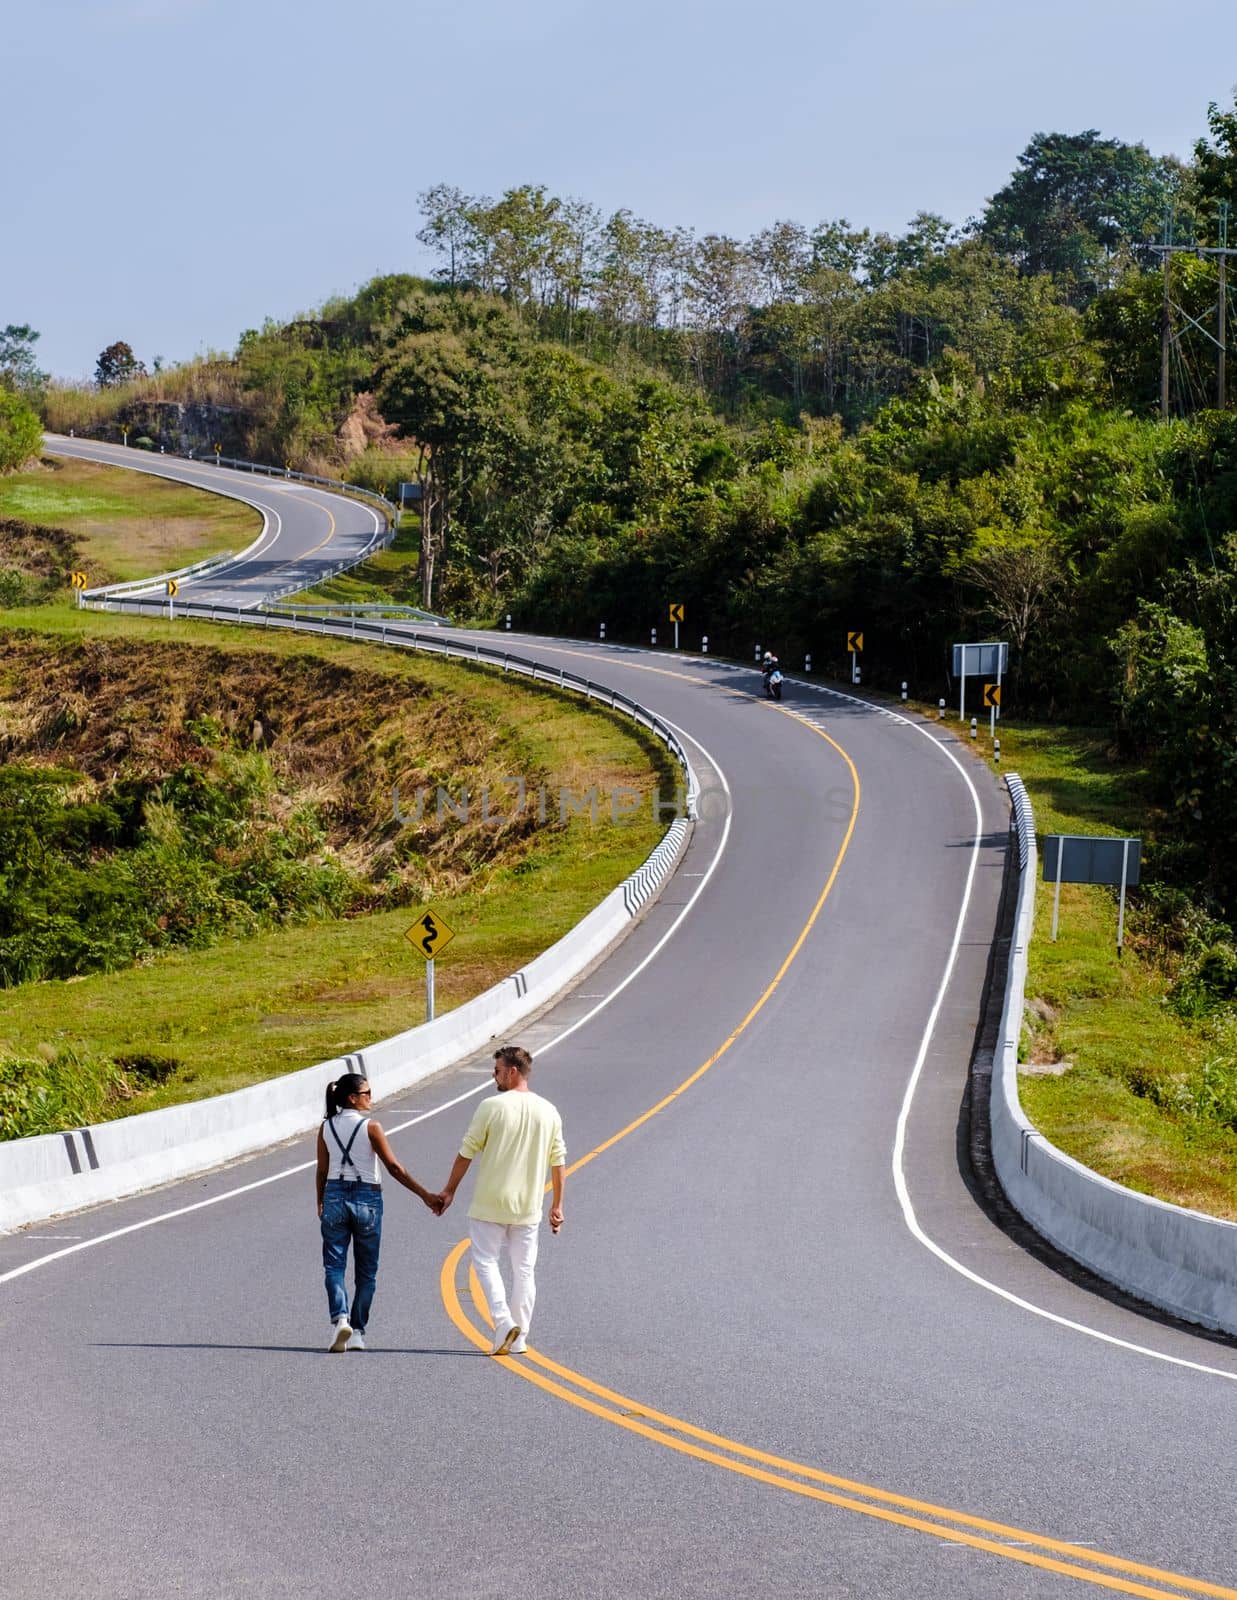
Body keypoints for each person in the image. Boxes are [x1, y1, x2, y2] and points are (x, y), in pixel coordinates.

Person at [437, 1045, 565, 1356]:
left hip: (489, 1203)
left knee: (484, 1262)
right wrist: (557, 1205)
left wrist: (449, 1190)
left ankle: (503, 1321)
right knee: (524, 1270)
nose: (493, 1077)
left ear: (511, 1072)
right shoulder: (548, 1110)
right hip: (528, 1206)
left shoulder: (491, 1106)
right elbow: (558, 1160)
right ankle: (519, 1338)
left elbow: (466, 1152)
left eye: (496, 1071)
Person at [316, 1072, 441, 1352]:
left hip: (334, 1195)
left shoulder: (326, 1128)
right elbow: (394, 1168)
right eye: (367, 1093)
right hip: (367, 1198)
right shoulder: (371, 1127)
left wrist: (320, 1200)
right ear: (352, 1098)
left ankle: (340, 1319)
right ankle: (358, 1330)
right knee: (367, 1271)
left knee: (334, 1265)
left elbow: (322, 1170)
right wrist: (425, 1195)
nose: (371, 1098)